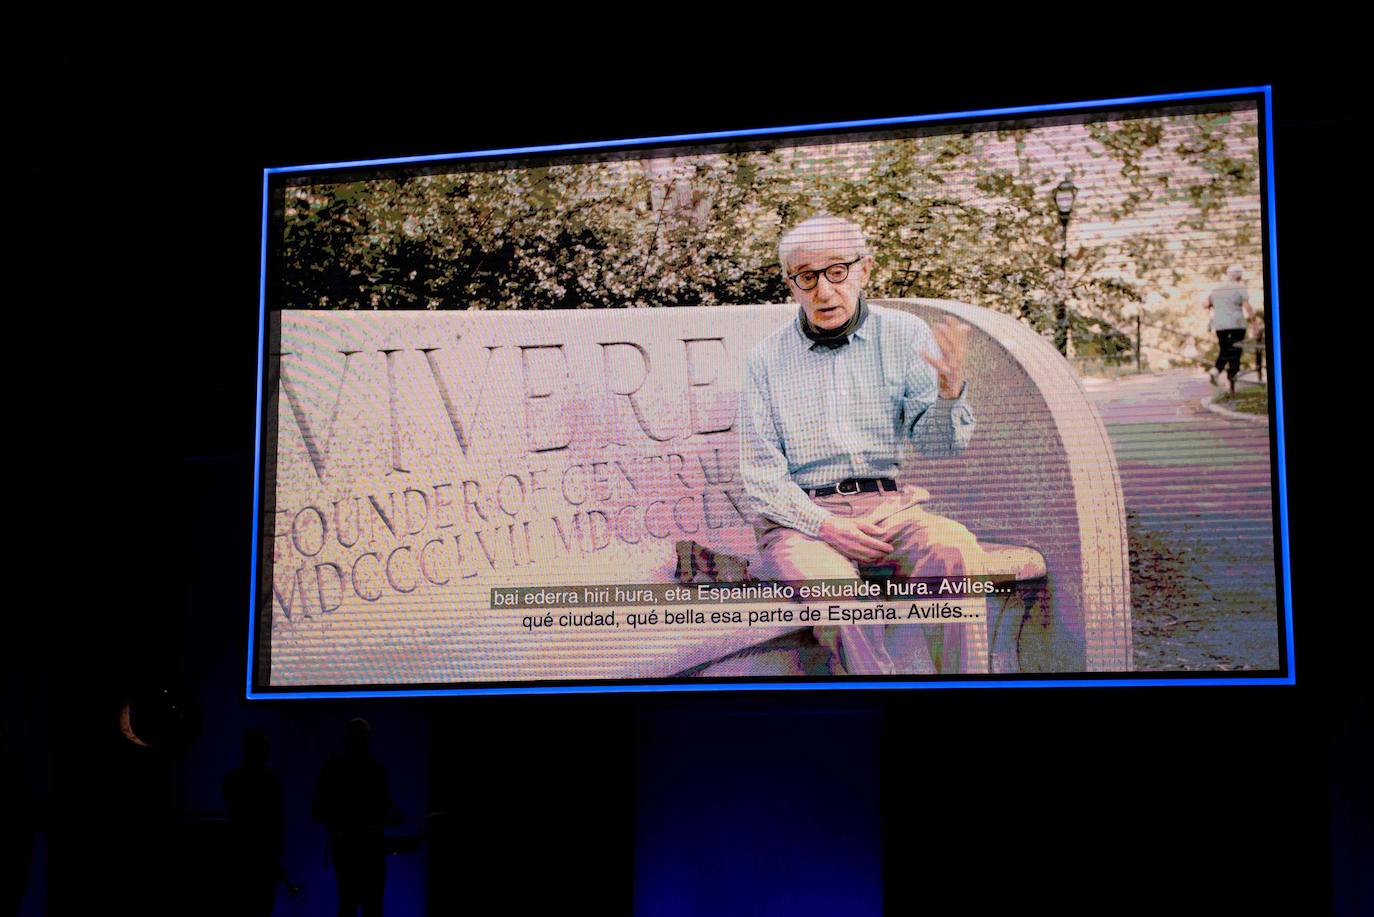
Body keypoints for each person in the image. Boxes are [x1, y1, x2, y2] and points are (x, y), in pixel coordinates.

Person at [738, 213, 989, 676]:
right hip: (802, 524)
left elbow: (939, 447)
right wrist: (825, 526)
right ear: (790, 283)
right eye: (807, 277)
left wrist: (950, 394)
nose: (824, 290)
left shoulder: (906, 335)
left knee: (954, 549)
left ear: (865, 270)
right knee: (835, 592)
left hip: (890, 511)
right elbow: (761, 476)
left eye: (838, 271)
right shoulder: (765, 360)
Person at [311, 718, 397, 917]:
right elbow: (318, 809)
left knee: (353, 904)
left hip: (355, 850)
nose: (363, 740)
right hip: (361, 850)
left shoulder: (348, 768)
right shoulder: (371, 768)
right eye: (360, 736)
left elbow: (318, 809)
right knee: (362, 905)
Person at [223, 727, 291, 916]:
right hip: (257, 859)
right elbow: (276, 821)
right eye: (264, 746)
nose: (268, 750)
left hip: (248, 859)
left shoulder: (234, 781)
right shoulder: (269, 781)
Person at [1206, 264, 1255, 394]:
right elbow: (1247, 307)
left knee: (1225, 349)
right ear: (1239, 276)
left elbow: (1206, 304)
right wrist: (1255, 324)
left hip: (1220, 325)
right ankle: (1232, 382)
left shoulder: (1217, 288)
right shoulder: (1240, 287)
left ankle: (1216, 370)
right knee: (1235, 352)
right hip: (1236, 324)